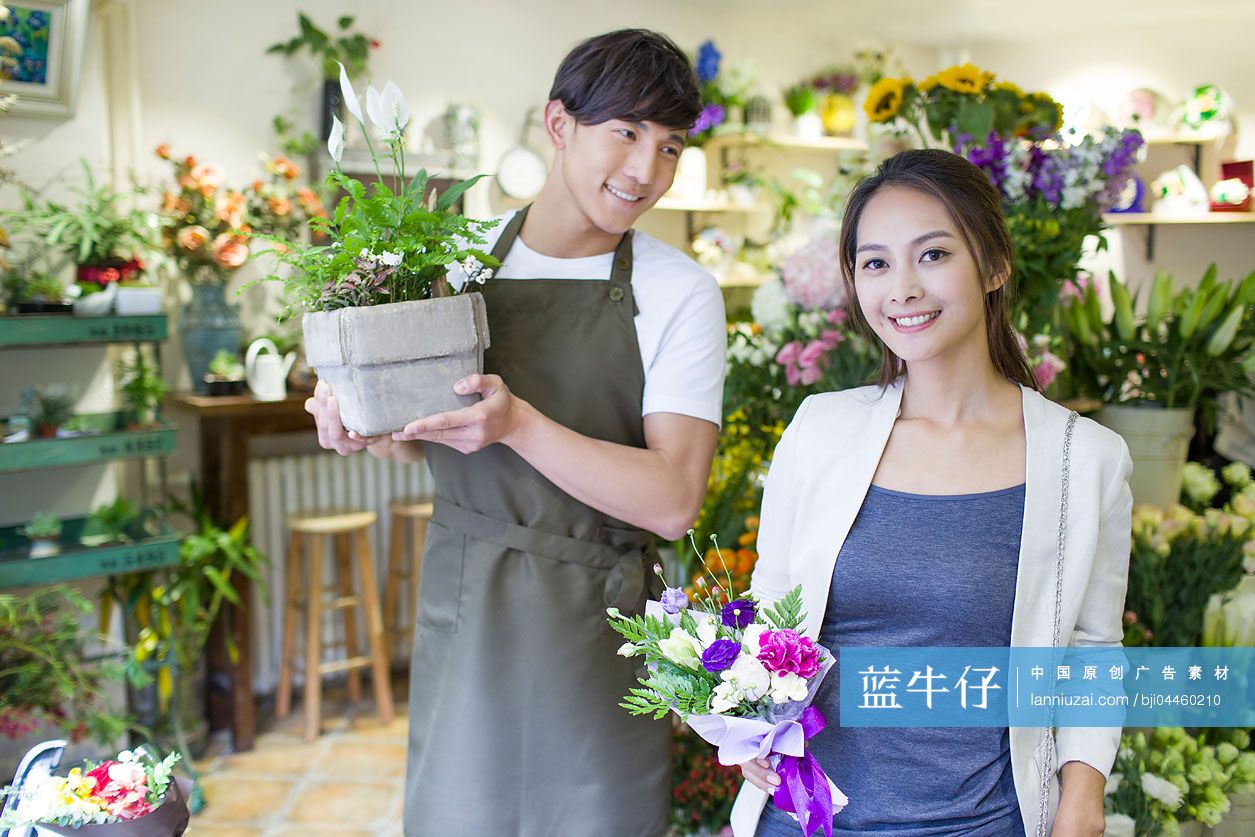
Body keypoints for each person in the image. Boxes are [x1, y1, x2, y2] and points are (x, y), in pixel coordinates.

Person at [306, 29, 726, 837]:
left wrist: (520, 423)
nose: (645, 171)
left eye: (670, 147)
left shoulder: (680, 293)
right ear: (559, 123)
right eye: (626, 132)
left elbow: (672, 500)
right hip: (470, 597)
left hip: (600, 616)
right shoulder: (453, 257)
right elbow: (413, 431)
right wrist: (354, 416)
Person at [731, 149, 1132, 837]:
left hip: (982, 820)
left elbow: (1092, 649)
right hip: (804, 816)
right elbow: (774, 593)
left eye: (934, 254)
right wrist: (745, 718)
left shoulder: (1084, 459)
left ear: (994, 265)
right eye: (876, 263)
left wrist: (1080, 797)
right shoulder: (819, 430)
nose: (902, 288)